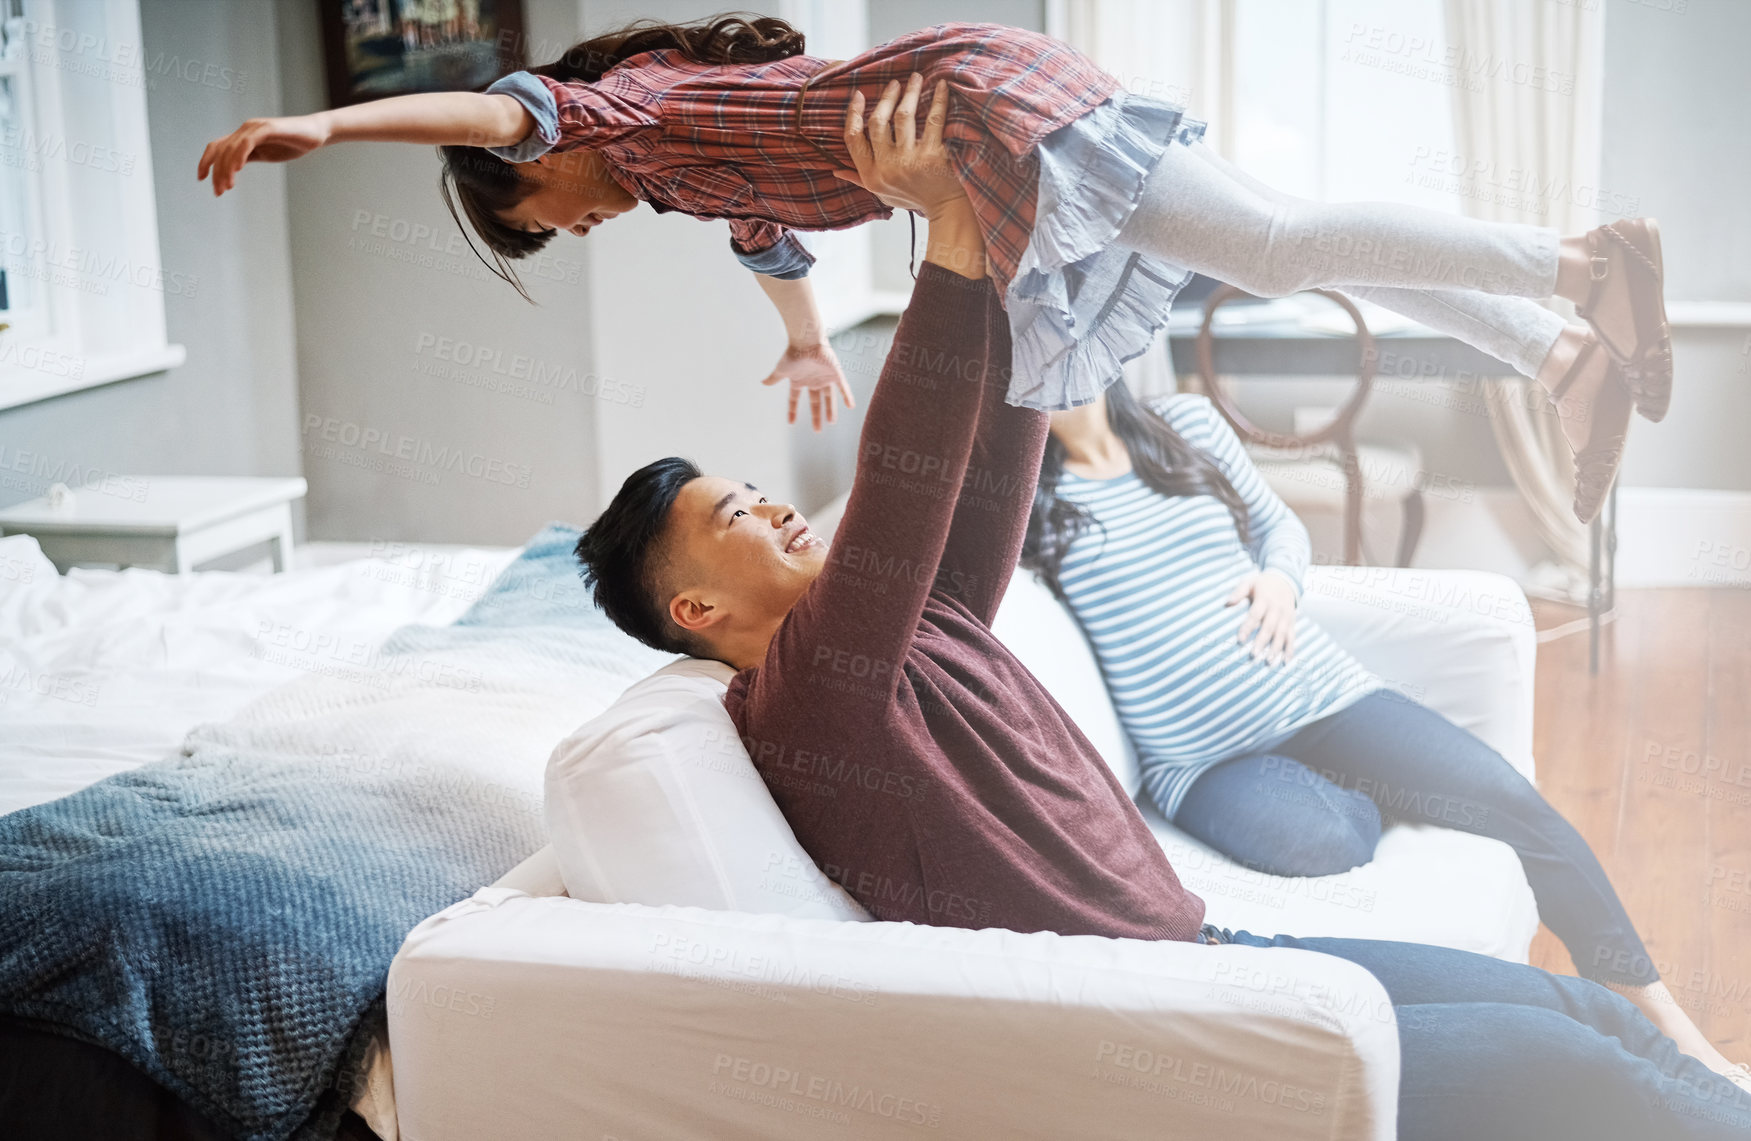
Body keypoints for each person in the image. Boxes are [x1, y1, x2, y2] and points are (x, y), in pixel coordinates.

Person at [568, 78, 1751, 1138]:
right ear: (693, 606)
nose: (775, 509)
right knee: (1573, 1070)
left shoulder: (909, 630)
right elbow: (905, 475)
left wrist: (1009, 250)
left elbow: (981, 484)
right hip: (1180, 1023)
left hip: (1214, 956)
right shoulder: (805, 693)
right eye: (734, 517)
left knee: (1578, 1007)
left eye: (756, 490)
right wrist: (946, 234)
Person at [199, 16, 1667, 520]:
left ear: (535, 159)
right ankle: (1552, 352)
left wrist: (326, 125)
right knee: (1261, 242)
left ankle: (1578, 260)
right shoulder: (677, 164)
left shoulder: (616, 108)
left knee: (1272, 246)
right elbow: (770, 245)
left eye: (540, 216)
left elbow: (486, 103)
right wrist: (801, 340)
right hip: (977, 124)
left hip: (981, 116)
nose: (564, 228)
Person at [1023, 376, 1748, 1081]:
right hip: (1206, 763)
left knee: (1516, 806)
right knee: (1330, 837)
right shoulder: (1027, 495)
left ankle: (1673, 1033)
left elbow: (1279, 525)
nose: (1055, 358)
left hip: (1324, 695)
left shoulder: (1186, 426)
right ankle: (1371, 792)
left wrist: (1280, 579)